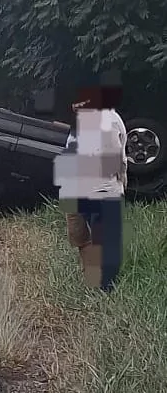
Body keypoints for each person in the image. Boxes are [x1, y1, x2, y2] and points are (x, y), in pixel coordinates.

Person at [57, 81, 128, 291]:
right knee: (85, 237)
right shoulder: (84, 120)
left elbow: (112, 160)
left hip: (102, 190)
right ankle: (94, 280)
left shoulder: (107, 120)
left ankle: (106, 287)